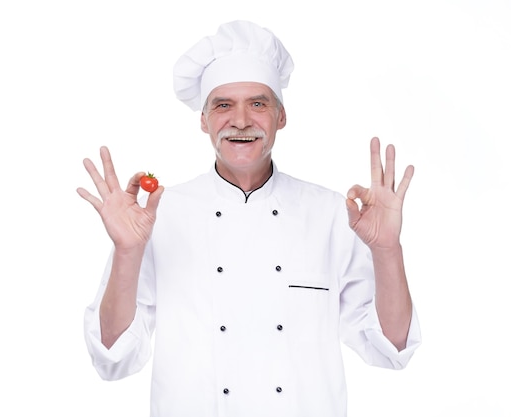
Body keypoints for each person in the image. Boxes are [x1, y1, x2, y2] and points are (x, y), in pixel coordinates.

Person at [78, 20, 421, 417]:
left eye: (257, 103)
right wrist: (126, 252)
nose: (240, 120)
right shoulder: (157, 216)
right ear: (204, 120)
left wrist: (387, 250)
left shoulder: (332, 214)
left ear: (281, 116)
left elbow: (392, 347)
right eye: (223, 105)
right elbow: (112, 356)